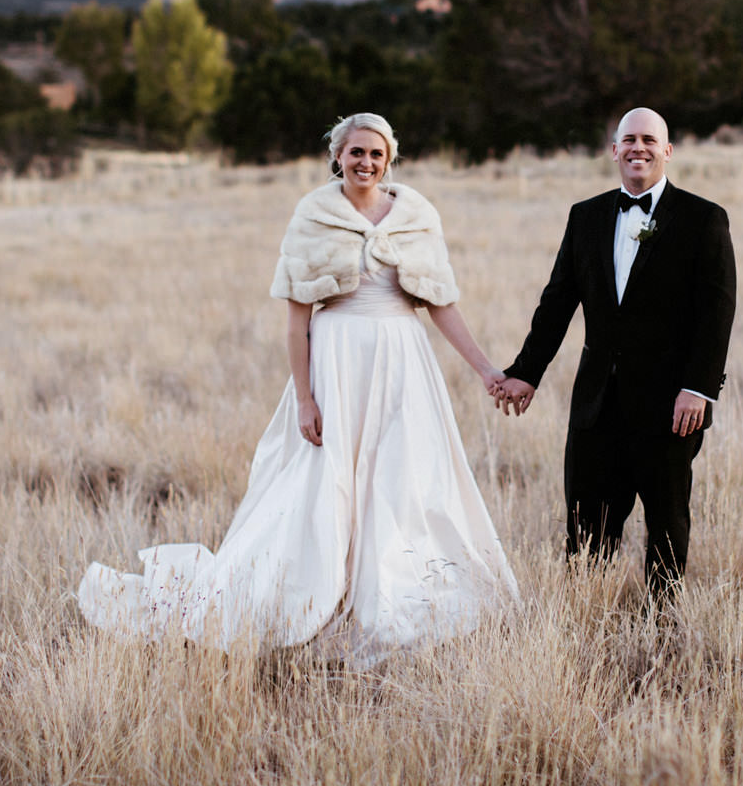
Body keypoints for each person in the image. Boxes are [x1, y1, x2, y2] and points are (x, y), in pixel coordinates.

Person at [77, 113, 518, 664]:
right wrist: (306, 398)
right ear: (338, 156)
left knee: (402, 478)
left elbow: (441, 303)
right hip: (335, 364)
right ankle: (316, 598)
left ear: (390, 159)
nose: (366, 163)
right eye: (356, 152)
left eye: (376, 154)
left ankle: (386, 591)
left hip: (402, 362)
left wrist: (484, 368)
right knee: (324, 482)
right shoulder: (314, 216)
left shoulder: (416, 217)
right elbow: (295, 322)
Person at [493, 107, 736, 600]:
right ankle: (586, 620)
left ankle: (661, 625)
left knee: (667, 524)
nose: (638, 148)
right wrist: (526, 372)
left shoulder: (703, 219)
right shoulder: (586, 216)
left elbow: (717, 312)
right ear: (614, 150)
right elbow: (557, 301)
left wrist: (697, 389)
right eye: (629, 139)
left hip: (671, 406)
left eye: (649, 139)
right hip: (596, 403)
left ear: (667, 151)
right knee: (585, 525)